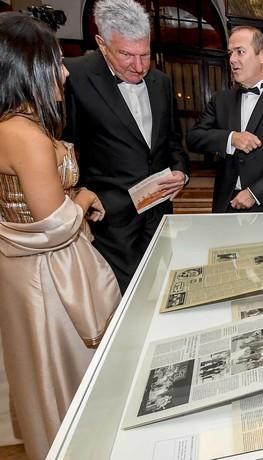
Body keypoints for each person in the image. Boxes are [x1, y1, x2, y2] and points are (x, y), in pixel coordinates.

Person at [0, 13, 121, 459]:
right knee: (61, 369)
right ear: (27, 66)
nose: (65, 71)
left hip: (28, 267)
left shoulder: (15, 124)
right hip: (46, 277)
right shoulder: (25, 135)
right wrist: (85, 193)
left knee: (41, 372)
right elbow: (55, 222)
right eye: (55, 60)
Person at [64, 0, 190, 292]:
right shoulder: (74, 76)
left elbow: (173, 141)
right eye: (126, 55)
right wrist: (78, 195)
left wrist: (181, 174)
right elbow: (64, 148)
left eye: (145, 54)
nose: (139, 66)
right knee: (120, 301)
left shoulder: (162, 83)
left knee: (162, 291)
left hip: (159, 214)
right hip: (110, 222)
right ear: (102, 44)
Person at [187, 25, 263, 213]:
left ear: (262, 55)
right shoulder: (221, 100)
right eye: (230, 53)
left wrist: (254, 193)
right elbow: (194, 138)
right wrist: (231, 138)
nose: (232, 60)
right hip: (227, 205)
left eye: (240, 52)